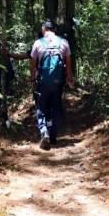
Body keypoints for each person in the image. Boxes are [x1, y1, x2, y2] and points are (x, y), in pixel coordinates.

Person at [29, 20, 74, 150]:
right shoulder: (64, 42)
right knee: (56, 107)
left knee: (41, 108)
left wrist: (32, 80)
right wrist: (69, 79)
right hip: (58, 82)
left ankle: (44, 132)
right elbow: (68, 65)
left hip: (43, 81)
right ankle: (53, 136)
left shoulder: (38, 43)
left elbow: (33, 65)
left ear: (44, 30)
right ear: (54, 30)